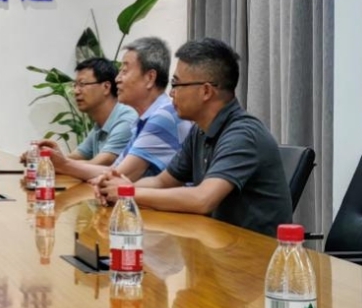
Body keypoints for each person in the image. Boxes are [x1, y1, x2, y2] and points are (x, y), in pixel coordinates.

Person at [98, 38, 292, 237]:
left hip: (253, 250)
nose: (171, 93)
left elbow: (203, 199)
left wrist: (128, 192)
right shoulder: (200, 130)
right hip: (217, 241)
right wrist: (116, 190)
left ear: (206, 91)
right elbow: (162, 182)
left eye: (176, 84)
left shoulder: (242, 134)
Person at [43, 37, 192, 183]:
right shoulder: (144, 119)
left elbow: (121, 176)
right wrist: (61, 161)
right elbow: (114, 170)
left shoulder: (163, 116)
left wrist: (64, 164)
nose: (117, 79)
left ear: (150, 78)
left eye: (124, 71)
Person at [23, 57, 137, 166]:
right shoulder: (100, 124)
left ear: (106, 87)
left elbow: (99, 164)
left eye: (82, 84)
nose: (76, 91)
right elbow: (76, 157)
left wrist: (50, 162)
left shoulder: (126, 120)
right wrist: (42, 157)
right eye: (75, 85)